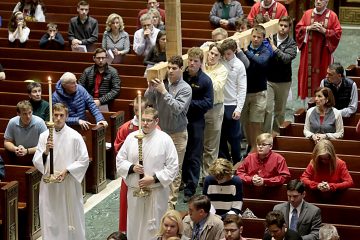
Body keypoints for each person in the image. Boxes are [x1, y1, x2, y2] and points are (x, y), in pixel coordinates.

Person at [116, 107, 178, 240]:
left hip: (156, 193)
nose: (145, 123)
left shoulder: (165, 139)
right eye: (143, 120)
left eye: (149, 120)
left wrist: (154, 179)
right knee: (135, 225)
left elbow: (173, 167)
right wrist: (132, 167)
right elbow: (120, 160)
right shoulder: (131, 138)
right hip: (135, 192)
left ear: (156, 121)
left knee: (154, 228)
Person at [33, 103, 89, 240]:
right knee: (51, 218)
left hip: (68, 184)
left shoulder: (75, 136)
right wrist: (46, 151)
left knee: (71, 218)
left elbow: (84, 160)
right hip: (49, 186)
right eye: (56, 115)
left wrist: (68, 171)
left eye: (61, 115)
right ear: (52, 116)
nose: (58, 118)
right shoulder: (44, 136)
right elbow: (37, 161)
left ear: (67, 116)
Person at [145, 55, 192, 208]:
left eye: (174, 68)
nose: (171, 71)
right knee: (159, 166)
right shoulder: (162, 83)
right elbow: (149, 100)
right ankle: (158, 201)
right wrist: (151, 87)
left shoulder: (185, 88)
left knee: (174, 170)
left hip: (177, 134)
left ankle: (170, 204)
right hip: (161, 132)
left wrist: (164, 92)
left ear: (181, 69)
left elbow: (178, 109)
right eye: (169, 68)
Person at [182, 47, 214, 202]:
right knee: (183, 153)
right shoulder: (182, 76)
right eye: (190, 60)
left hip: (196, 121)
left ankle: (191, 187)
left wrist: (188, 103)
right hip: (181, 121)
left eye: (195, 61)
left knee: (194, 155)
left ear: (201, 63)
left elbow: (208, 103)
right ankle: (182, 180)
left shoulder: (205, 80)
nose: (192, 64)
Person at [114, 97, 149, 233]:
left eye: (141, 110)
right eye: (135, 110)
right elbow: (119, 150)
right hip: (130, 174)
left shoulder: (154, 127)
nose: (138, 114)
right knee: (127, 205)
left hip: (147, 173)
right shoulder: (125, 128)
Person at [296, 0, 342, 100]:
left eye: (321, 0)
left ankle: (324, 103)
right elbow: (298, 29)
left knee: (324, 76)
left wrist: (325, 31)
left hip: (323, 55)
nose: (318, 1)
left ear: (327, 2)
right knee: (308, 80)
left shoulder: (332, 15)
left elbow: (337, 33)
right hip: (308, 55)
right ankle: (308, 106)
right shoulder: (307, 14)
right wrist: (308, 28)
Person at [263, 16, 297, 135]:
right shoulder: (270, 38)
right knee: (267, 109)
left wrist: (274, 48)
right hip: (269, 79)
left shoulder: (292, 44)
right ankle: (265, 135)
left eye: (285, 26)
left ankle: (276, 135)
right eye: (281, 25)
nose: (282, 28)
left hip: (283, 81)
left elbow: (286, 59)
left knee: (280, 111)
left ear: (289, 28)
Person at [241, 25, 271, 153]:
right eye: (254, 36)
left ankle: (255, 148)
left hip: (259, 92)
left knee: (256, 122)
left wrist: (246, 52)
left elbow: (260, 61)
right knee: (246, 122)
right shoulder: (246, 49)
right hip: (245, 92)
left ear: (263, 38)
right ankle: (251, 144)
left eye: (259, 37)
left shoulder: (265, 51)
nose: (256, 39)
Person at [219, 39, 247, 165]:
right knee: (221, 137)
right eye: (224, 53)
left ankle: (237, 162)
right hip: (220, 104)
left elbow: (242, 88)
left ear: (234, 51)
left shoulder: (239, 65)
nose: (226, 56)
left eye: (229, 53)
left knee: (234, 138)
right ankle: (225, 162)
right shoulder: (220, 60)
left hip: (232, 105)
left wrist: (238, 108)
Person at [202, 43, 228, 179]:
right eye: (211, 53)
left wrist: (202, 71)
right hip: (199, 107)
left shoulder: (222, 70)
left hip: (214, 108)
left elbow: (215, 87)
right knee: (197, 144)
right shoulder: (202, 65)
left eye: (216, 55)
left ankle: (208, 176)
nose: (212, 56)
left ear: (220, 57)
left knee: (211, 146)